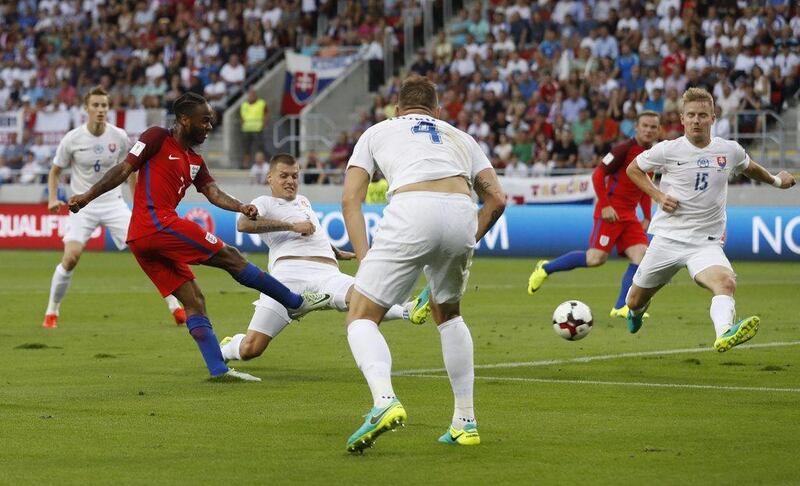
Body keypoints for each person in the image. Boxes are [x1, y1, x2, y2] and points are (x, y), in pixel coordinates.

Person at [67, 93, 331, 381]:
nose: (209, 126)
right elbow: (124, 168)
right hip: (157, 224)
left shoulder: (194, 160)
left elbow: (213, 192)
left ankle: (219, 370)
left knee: (194, 300)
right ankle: (294, 301)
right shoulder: (157, 137)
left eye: (211, 121)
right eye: (204, 120)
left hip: (143, 240)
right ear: (184, 119)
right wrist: (87, 196)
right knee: (230, 256)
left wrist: (240, 206)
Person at [340, 75, 506, 453]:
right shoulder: (460, 136)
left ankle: (384, 401)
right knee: (447, 313)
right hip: (461, 211)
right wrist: (464, 239)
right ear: (436, 111)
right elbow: (496, 199)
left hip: (412, 208)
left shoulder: (377, 131)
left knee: (361, 316)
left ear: (397, 109)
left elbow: (351, 198)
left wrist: (365, 259)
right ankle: (465, 421)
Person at [625, 88, 796, 352]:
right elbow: (633, 169)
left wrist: (776, 181)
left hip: (705, 243)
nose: (696, 120)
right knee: (634, 301)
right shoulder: (667, 150)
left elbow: (749, 167)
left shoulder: (728, 150)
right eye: (691, 115)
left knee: (726, 282)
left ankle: (725, 332)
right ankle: (635, 313)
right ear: (682, 119)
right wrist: (658, 196)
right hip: (668, 239)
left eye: (702, 115)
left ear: (713, 118)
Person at [219, 154, 430, 362]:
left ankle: (407, 310)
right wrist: (292, 226)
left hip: (327, 274)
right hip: (288, 278)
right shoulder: (264, 202)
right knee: (251, 348)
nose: (290, 181)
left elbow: (313, 232)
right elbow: (243, 224)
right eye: (284, 176)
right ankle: (227, 348)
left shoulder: (303, 201)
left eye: (294, 176)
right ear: (270, 178)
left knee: (363, 296)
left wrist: (335, 251)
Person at [42, 86, 186, 329]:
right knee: (71, 257)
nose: (100, 110)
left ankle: (176, 306)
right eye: (96, 105)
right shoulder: (72, 139)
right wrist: (52, 198)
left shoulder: (119, 136)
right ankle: (51, 311)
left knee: (149, 251)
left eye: (104, 106)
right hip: (83, 206)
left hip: (113, 204)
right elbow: (55, 171)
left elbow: (130, 169)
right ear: (86, 108)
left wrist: (138, 200)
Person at [527, 111, 661, 318]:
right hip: (609, 214)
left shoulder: (653, 155)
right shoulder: (622, 150)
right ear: (636, 127)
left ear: (658, 130)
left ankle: (620, 307)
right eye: (645, 125)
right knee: (595, 259)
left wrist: (647, 216)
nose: (649, 130)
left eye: (653, 127)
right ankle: (546, 268)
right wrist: (605, 205)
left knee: (641, 255)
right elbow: (598, 174)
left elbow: (645, 187)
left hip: (629, 217)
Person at [239, 88, 268, 168]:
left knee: (260, 147)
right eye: (250, 94)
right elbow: (241, 116)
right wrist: (242, 123)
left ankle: (262, 164)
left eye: (253, 94)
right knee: (246, 148)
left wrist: (264, 123)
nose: (251, 96)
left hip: (258, 128)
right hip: (246, 129)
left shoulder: (261, 103)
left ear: (256, 95)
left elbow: (266, 114)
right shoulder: (244, 104)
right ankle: (245, 165)